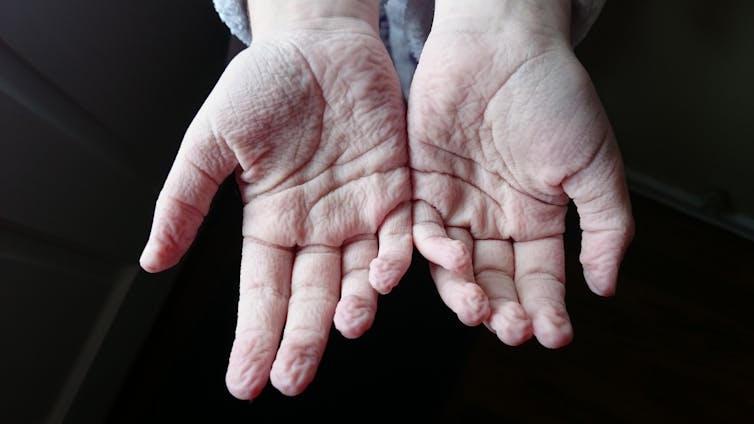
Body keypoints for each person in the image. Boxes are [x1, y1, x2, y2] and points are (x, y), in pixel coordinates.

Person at [139, 0, 634, 401]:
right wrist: (311, 18)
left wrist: (509, 22)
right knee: (320, 281)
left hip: (492, 141)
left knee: (459, 289)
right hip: (309, 145)